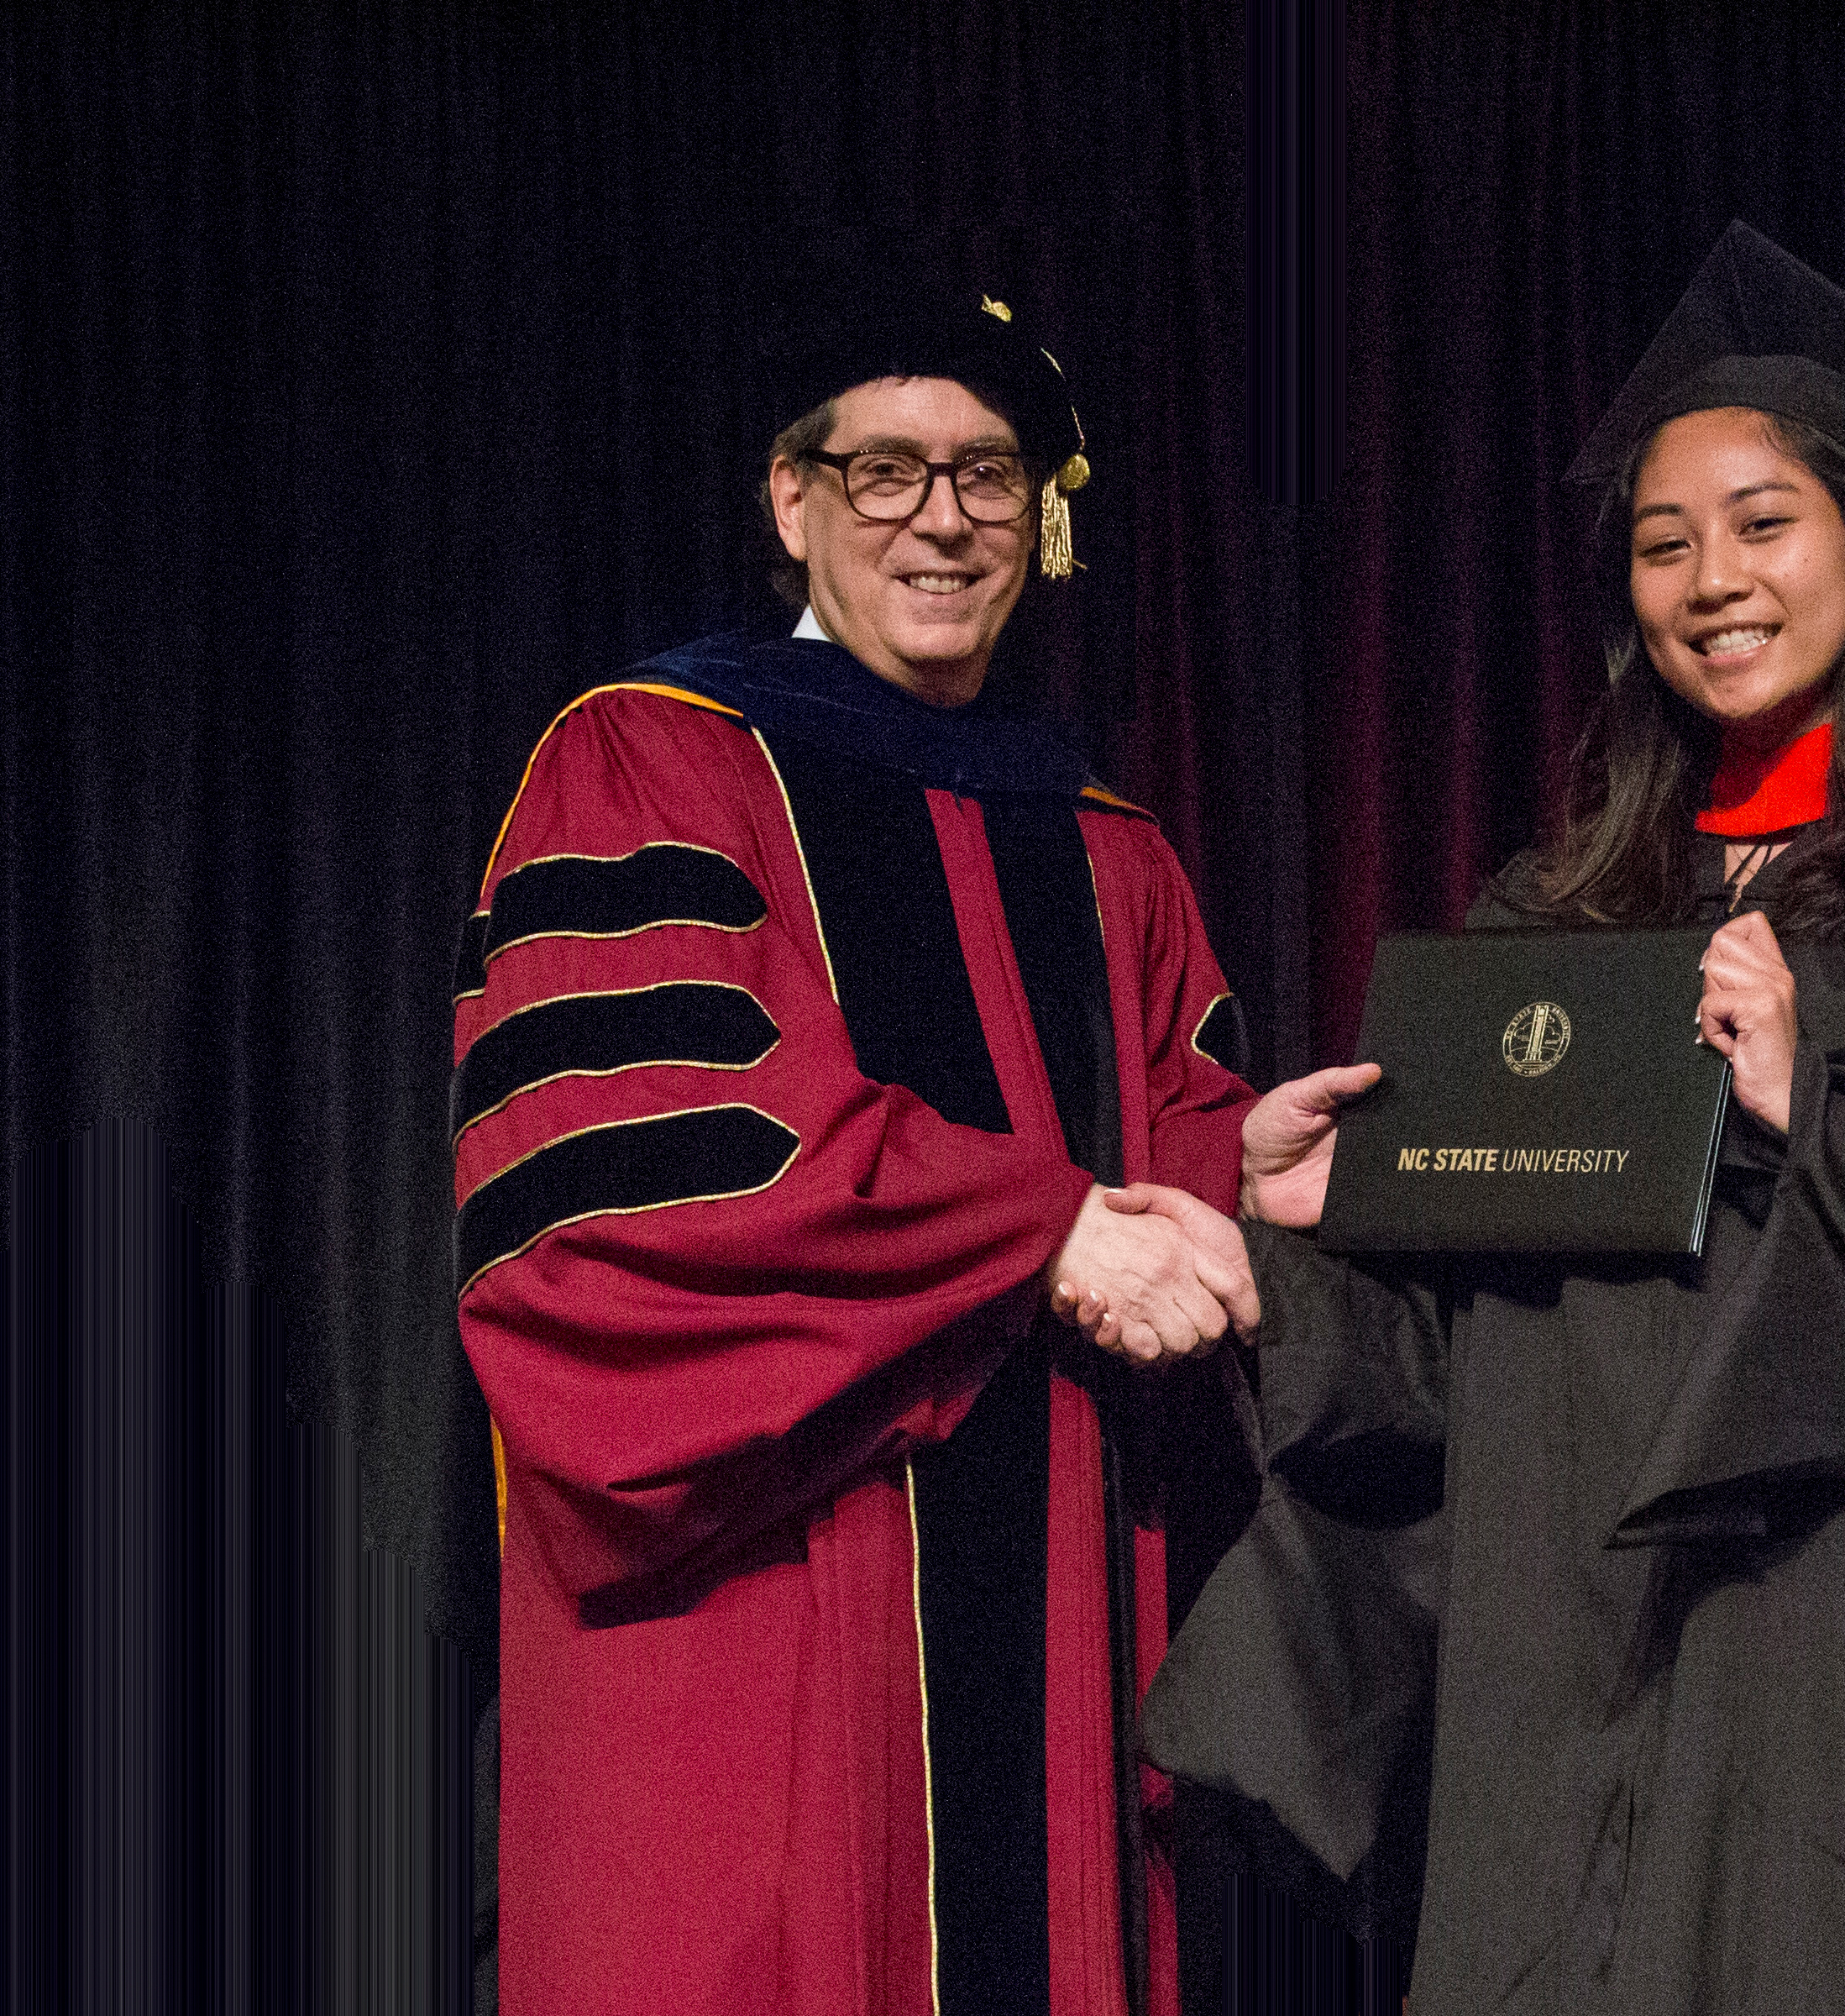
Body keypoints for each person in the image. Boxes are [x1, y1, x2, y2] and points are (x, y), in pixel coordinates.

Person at [1145, 221, 1845, 2013]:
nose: (1712, 575)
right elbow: (1444, 1379)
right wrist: (1302, 1241)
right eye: (1661, 541)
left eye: (1762, 523)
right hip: (1565, 1654)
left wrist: (1814, 1102)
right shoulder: (1550, 927)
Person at [453, 282, 1367, 2016]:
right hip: (782, 1600)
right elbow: (639, 1181)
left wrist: (1234, 1170)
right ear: (791, 504)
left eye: (990, 474)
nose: (943, 517)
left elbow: (1132, 1138)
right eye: (885, 473)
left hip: (1059, 1610)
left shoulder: (1104, 836)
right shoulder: (645, 762)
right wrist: (1042, 1237)